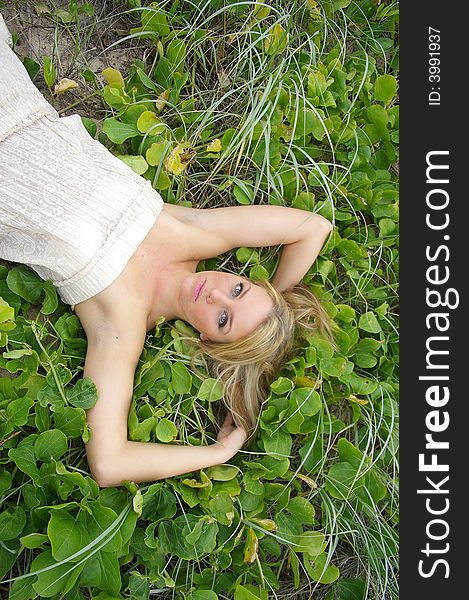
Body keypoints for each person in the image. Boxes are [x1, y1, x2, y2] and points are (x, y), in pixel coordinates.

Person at [0, 15, 333, 487]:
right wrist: (277, 301)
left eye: (223, 321)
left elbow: (109, 464)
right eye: (238, 288)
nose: (215, 295)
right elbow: (311, 227)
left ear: (208, 344)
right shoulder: (193, 233)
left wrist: (217, 452)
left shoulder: (122, 326)